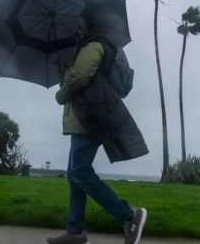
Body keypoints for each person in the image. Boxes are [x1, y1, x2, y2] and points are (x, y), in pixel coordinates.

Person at [47, 13, 149, 244]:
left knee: (80, 171)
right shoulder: (90, 46)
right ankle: (75, 232)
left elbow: (79, 77)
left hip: (88, 117)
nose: (76, 30)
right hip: (86, 117)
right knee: (75, 174)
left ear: (88, 26)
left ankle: (129, 215)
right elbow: (79, 77)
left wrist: (61, 93)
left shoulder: (94, 46)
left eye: (79, 25)